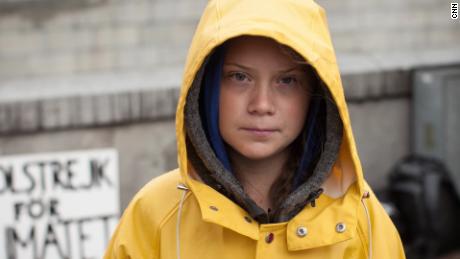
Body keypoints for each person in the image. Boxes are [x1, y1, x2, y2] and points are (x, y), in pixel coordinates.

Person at [104, 0, 405, 258]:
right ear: (206, 87)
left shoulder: (359, 215)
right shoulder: (157, 212)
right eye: (239, 77)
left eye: (286, 81)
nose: (261, 104)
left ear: (316, 95)